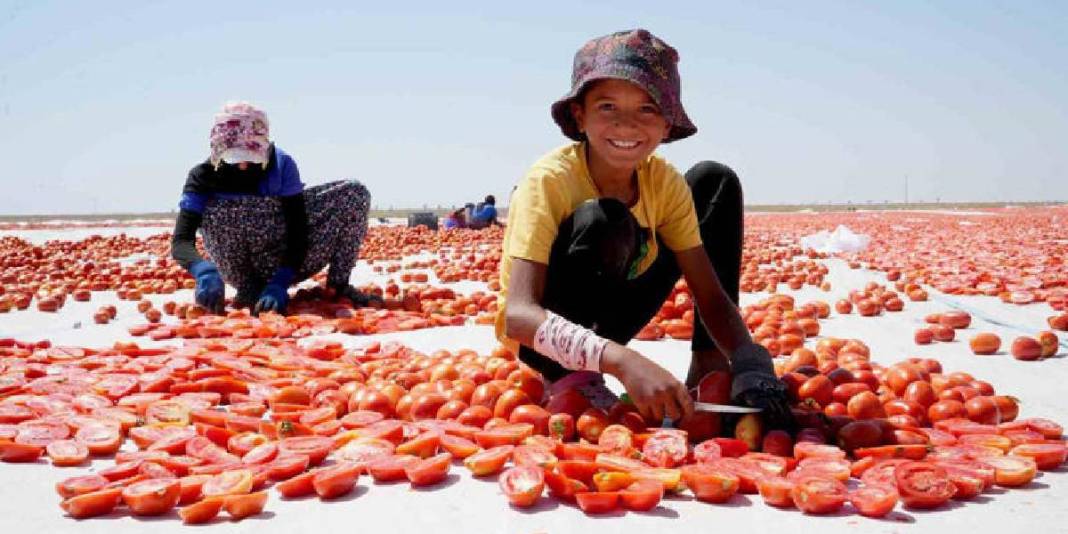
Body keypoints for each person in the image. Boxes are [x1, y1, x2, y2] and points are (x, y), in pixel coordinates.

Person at [496, 30, 793, 429]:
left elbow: (709, 295)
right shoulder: (549, 180)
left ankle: (708, 367)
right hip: (543, 338)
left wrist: (749, 360)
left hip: (611, 318)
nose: (626, 124)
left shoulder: (663, 183)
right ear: (580, 116)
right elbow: (518, 316)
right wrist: (624, 361)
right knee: (603, 218)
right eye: (607, 106)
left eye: (647, 109)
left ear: (667, 125)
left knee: (713, 181)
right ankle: (568, 378)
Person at [170, 101, 378, 315]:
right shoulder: (203, 175)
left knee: (354, 192)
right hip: (236, 264)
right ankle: (249, 288)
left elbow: (298, 232)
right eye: (235, 157)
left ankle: (338, 288)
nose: (243, 165)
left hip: (283, 259)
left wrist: (280, 281)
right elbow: (181, 241)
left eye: (250, 156)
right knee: (217, 206)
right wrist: (203, 270)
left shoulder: (281, 165)